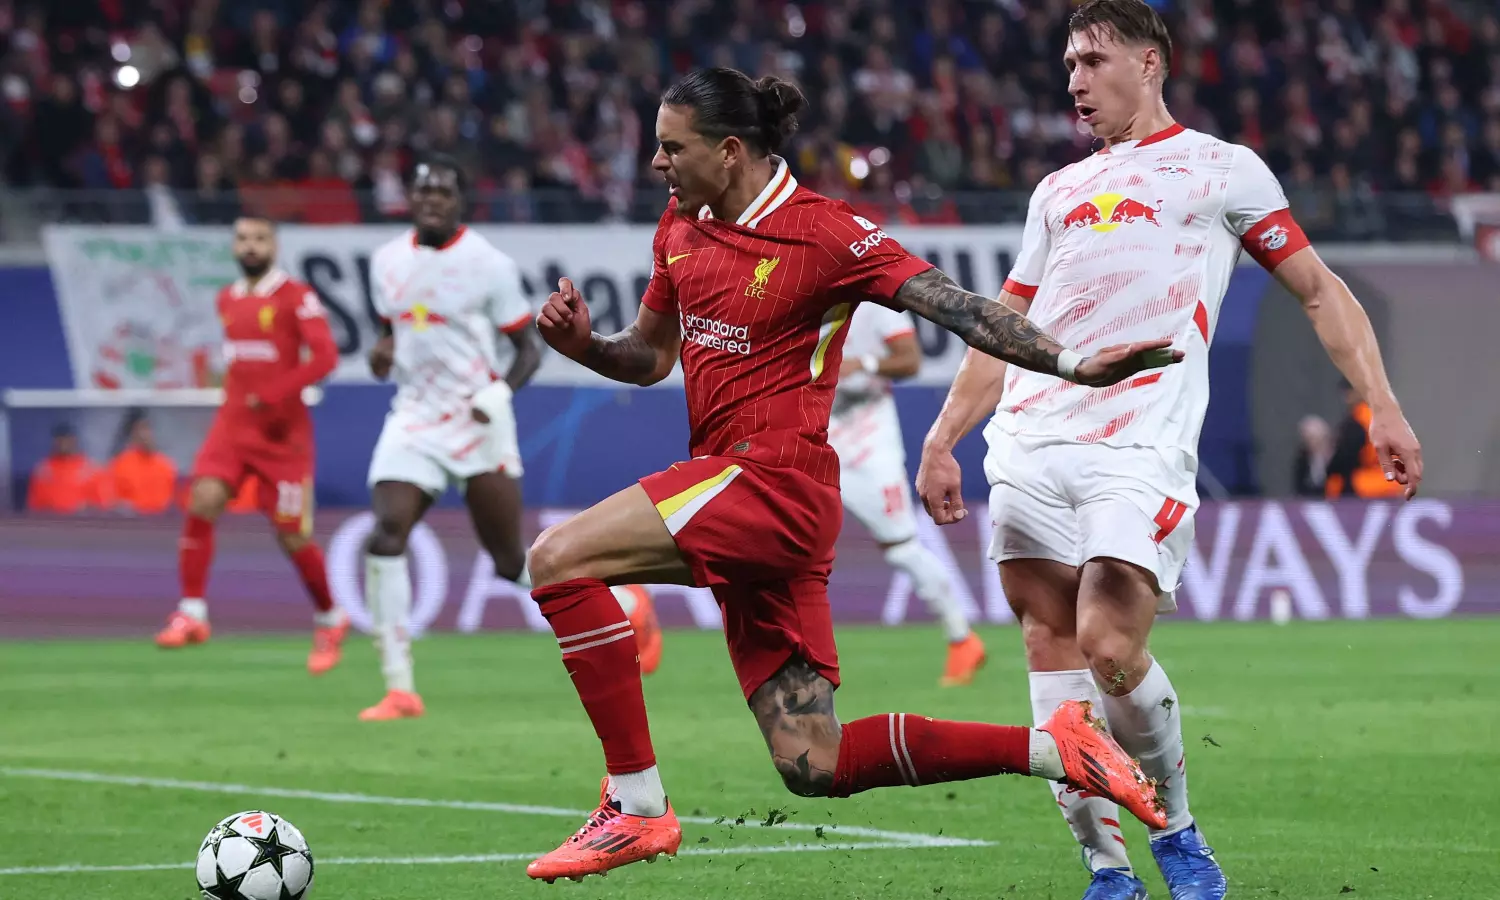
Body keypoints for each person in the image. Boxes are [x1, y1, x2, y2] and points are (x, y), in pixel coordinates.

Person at [523, 66, 1182, 884]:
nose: (656, 162)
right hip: (743, 497)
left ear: (729, 151)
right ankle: (1057, 748)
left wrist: (1074, 362)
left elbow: (957, 306)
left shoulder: (826, 233)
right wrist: (586, 347)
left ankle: (636, 804)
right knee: (814, 759)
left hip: (773, 483)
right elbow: (651, 356)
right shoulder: (680, 224)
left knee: (557, 560)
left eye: (671, 147)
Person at [915, 4, 1424, 899]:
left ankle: (1177, 830)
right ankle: (1108, 871)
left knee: (1110, 645)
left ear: (1149, 63)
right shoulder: (1057, 191)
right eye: (1068, 64)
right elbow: (1005, 324)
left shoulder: (1224, 171)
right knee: (1050, 652)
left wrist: (1380, 402)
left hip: (1138, 444)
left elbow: (1317, 290)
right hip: (1030, 439)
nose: (1075, 80)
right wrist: (942, 436)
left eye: (1092, 60)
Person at [361, 153, 580, 720]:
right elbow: (392, 334)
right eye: (423, 190)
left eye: (444, 192)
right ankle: (400, 688)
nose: (432, 200)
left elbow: (528, 349)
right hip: (414, 417)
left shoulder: (488, 264)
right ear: (409, 198)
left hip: (478, 420)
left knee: (510, 563)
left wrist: (500, 393)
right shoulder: (385, 262)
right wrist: (382, 355)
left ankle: (627, 605)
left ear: (461, 201)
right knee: (386, 534)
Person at [156, 216, 347, 679]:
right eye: (242, 238)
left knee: (291, 536)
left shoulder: (297, 297)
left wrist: (276, 393)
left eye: (260, 239)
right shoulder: (227, 298)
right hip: (233, 427)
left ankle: (329, 617)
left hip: (283, 438)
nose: (250, 246)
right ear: (234, 246)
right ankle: (192, 612)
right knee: (201, 500)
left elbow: (325, 357)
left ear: (274, 246)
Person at [828, 302, 984, 685]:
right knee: (786, 540)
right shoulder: (796, 296)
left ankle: (962, 639)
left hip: (868, 443)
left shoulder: (873, 305)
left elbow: (910, 360)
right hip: (815, 435)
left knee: (900, 546)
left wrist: (864, 364)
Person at [1326, 380, 1406, 499]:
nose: (1346, 398)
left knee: (1335, 482)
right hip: (1395, 481)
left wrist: (1329, 468)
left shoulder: (1360, 419)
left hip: (1370, 482)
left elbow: (1345, 458)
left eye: (1348, 392)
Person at [27, 423, 108, 514]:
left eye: (67, 439)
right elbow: (34, 506)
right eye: (59, 439)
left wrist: (86, 509)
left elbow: (103, 506)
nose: (63, 443)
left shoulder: (92, 469)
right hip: (52, 520)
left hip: (82, 520)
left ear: (74, 440)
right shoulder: (43, 470)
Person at [108, 410, 178, 515]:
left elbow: (174, 502)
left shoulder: (166, 465)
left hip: (161, 520)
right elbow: (113, 502)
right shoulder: (120, 465)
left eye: (147, 429)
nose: (144, 435)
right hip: (133, 521)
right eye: (139, 430)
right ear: (132, 435)